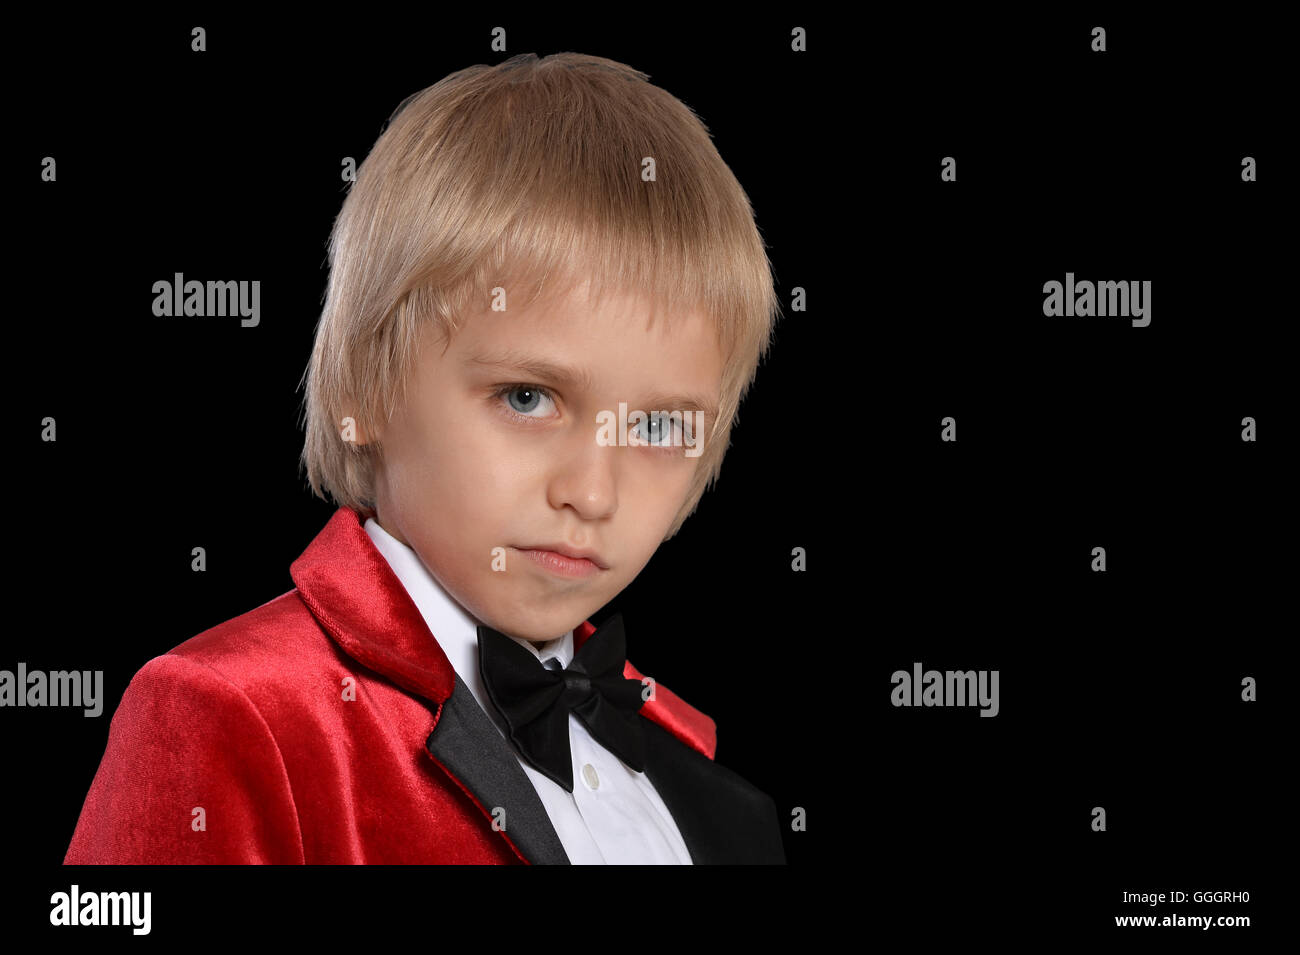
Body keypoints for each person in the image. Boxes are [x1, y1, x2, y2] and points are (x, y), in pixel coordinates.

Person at [64, 51, 784, 864]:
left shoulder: (714, 794)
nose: (592, 492)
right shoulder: (233, 714)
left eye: (656, 428)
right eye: (527, 397)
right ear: (365, 393)